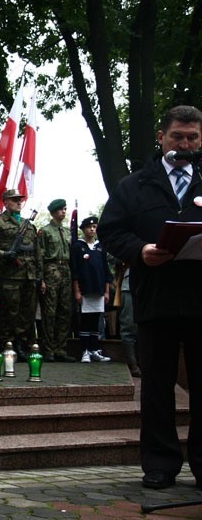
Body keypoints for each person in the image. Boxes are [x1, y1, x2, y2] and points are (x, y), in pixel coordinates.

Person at [98, 105, 202, 490]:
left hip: (199, 299)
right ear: (162, 137)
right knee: (157, 385)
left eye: (193, 137)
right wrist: (140, 250)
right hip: (155, 299)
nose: (186, 143)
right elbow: (111, 232)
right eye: (178, 136)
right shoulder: (135, 185)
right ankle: (160, 463)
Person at [0, 189, 42, 361]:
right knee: (9, 312)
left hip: (28, 275)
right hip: (9, 275)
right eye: (15, 200)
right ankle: (6, 344)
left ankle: (22, 344)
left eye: (20, 200)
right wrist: (4, 254)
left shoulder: (28, 224)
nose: (19, 202)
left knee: (27, 313)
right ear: (6, 202)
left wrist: (39, 274)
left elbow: (37, 251)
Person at [38, 199, 76, 362]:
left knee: (64, 311)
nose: (64, 212)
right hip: (51, 270)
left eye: (65, 209)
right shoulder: (45, 231)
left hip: (66, 270)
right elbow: (40, 255)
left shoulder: (68, 232)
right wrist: (41, 279)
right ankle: (48, 349)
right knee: (50, 311)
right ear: (53, 212)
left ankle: (61, 348)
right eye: (61, 209)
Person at [71, 216, 112, 363]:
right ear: (83, 229)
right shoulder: (77, 246)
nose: (92, 229)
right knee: (86, 321)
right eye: (89, 227)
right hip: (85, 290)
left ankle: (94, 349)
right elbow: (75, 270)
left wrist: (107, 291)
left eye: (94, 227)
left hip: (99, 289)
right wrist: (77, 291)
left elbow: (106, 271)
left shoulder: (100, 246)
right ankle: (85, 351)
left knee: (96, 320)